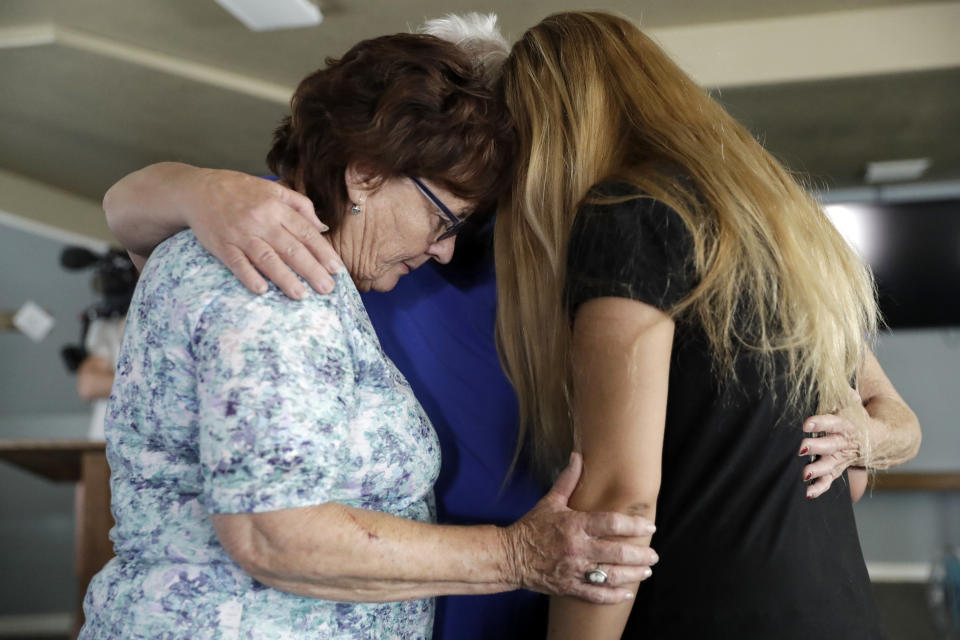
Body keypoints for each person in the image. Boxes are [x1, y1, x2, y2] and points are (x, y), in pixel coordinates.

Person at [101, 14, 922, 640]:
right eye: (453, 206)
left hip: (588, 595)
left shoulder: (608, 226)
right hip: (504, 588)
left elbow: (848, 429)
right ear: (369, 172)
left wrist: (867, 438)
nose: (461, 233)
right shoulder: (279, 244)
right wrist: (197, 188)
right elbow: (269, 529)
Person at [81, 32, 661, 640]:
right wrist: (517, 555)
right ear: (365, 175)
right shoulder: (277, 275)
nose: (444, 250)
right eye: (443, 220)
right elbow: (271, 533)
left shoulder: (299, 267)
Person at [492, 11, 922, 639]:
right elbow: (847, 477)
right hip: (835, 611)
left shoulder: (627, 215)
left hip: (714, 610)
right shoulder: (782, 233)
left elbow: (620, 502)